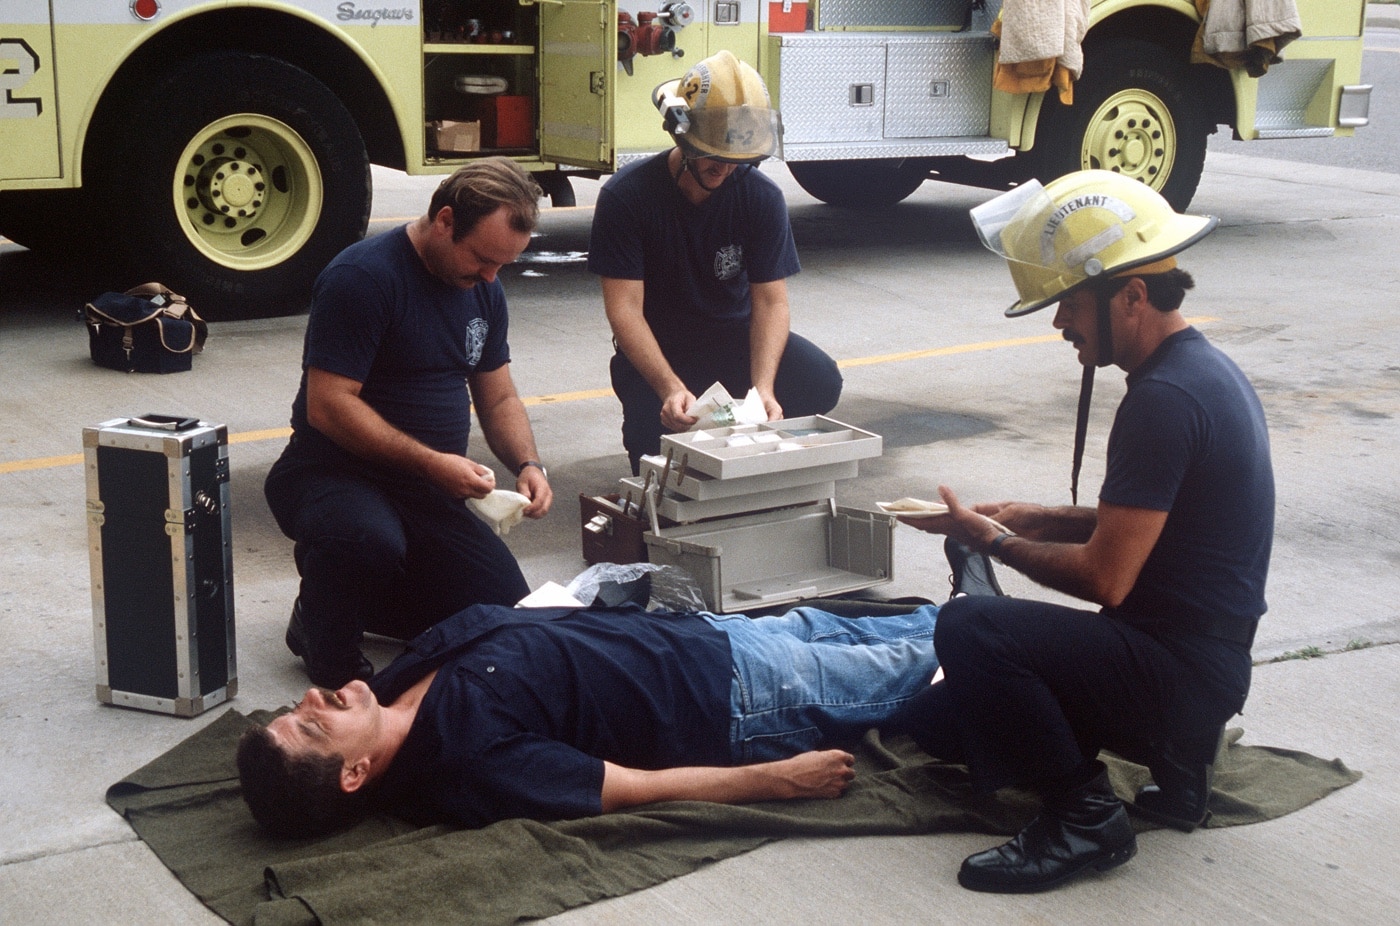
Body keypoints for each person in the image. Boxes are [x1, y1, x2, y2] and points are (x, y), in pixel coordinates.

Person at [892, 170, 1275, 894]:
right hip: (1206, 666)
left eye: (1068, 303)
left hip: (1178, 675)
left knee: (974, 632)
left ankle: (1085, 817)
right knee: (939, 725)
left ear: (1130, 296)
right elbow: (1159, 521)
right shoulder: (1203, 372)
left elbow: (1107, 578)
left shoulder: (1162, 401)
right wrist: (1030, 516)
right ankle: (1182, 767)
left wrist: (994, 544)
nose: (1059, 323)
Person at [236, 600, 941, 837]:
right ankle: (1027, 639)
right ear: (356, 774)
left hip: (701, 636)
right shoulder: (464, 764)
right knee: (927, 658)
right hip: (739, 700)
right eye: (314, 725)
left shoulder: (387, 689)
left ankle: (975, 607)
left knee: (897, 624)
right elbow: (627, 788)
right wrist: (776, 781)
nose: (314, 698)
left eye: (294, 709)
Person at [263, 158, 554, 690]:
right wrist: (431, 462)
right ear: (445, 220)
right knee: (365, 538)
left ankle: (359, 598)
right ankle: (324, 637)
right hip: (333, 474)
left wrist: (527, 463)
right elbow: (328, 405)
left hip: (426, 489)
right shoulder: (364, 278)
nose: (490, 278)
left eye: (503, 266)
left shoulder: (483, 288)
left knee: (503, 613)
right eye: (483, 260)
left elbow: (498, 396)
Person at [588, 50, 843, 474]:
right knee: (656, 457)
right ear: (682, 136)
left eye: (736, 156)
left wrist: (763, 387)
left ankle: (754, 457)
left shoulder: (761, 198)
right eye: (713, 154)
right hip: (661, 345)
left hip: (732, 337)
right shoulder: (626, 197)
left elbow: (770, 303)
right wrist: (670, 388)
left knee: (819, 380)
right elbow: (625, 311)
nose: (724, 168)